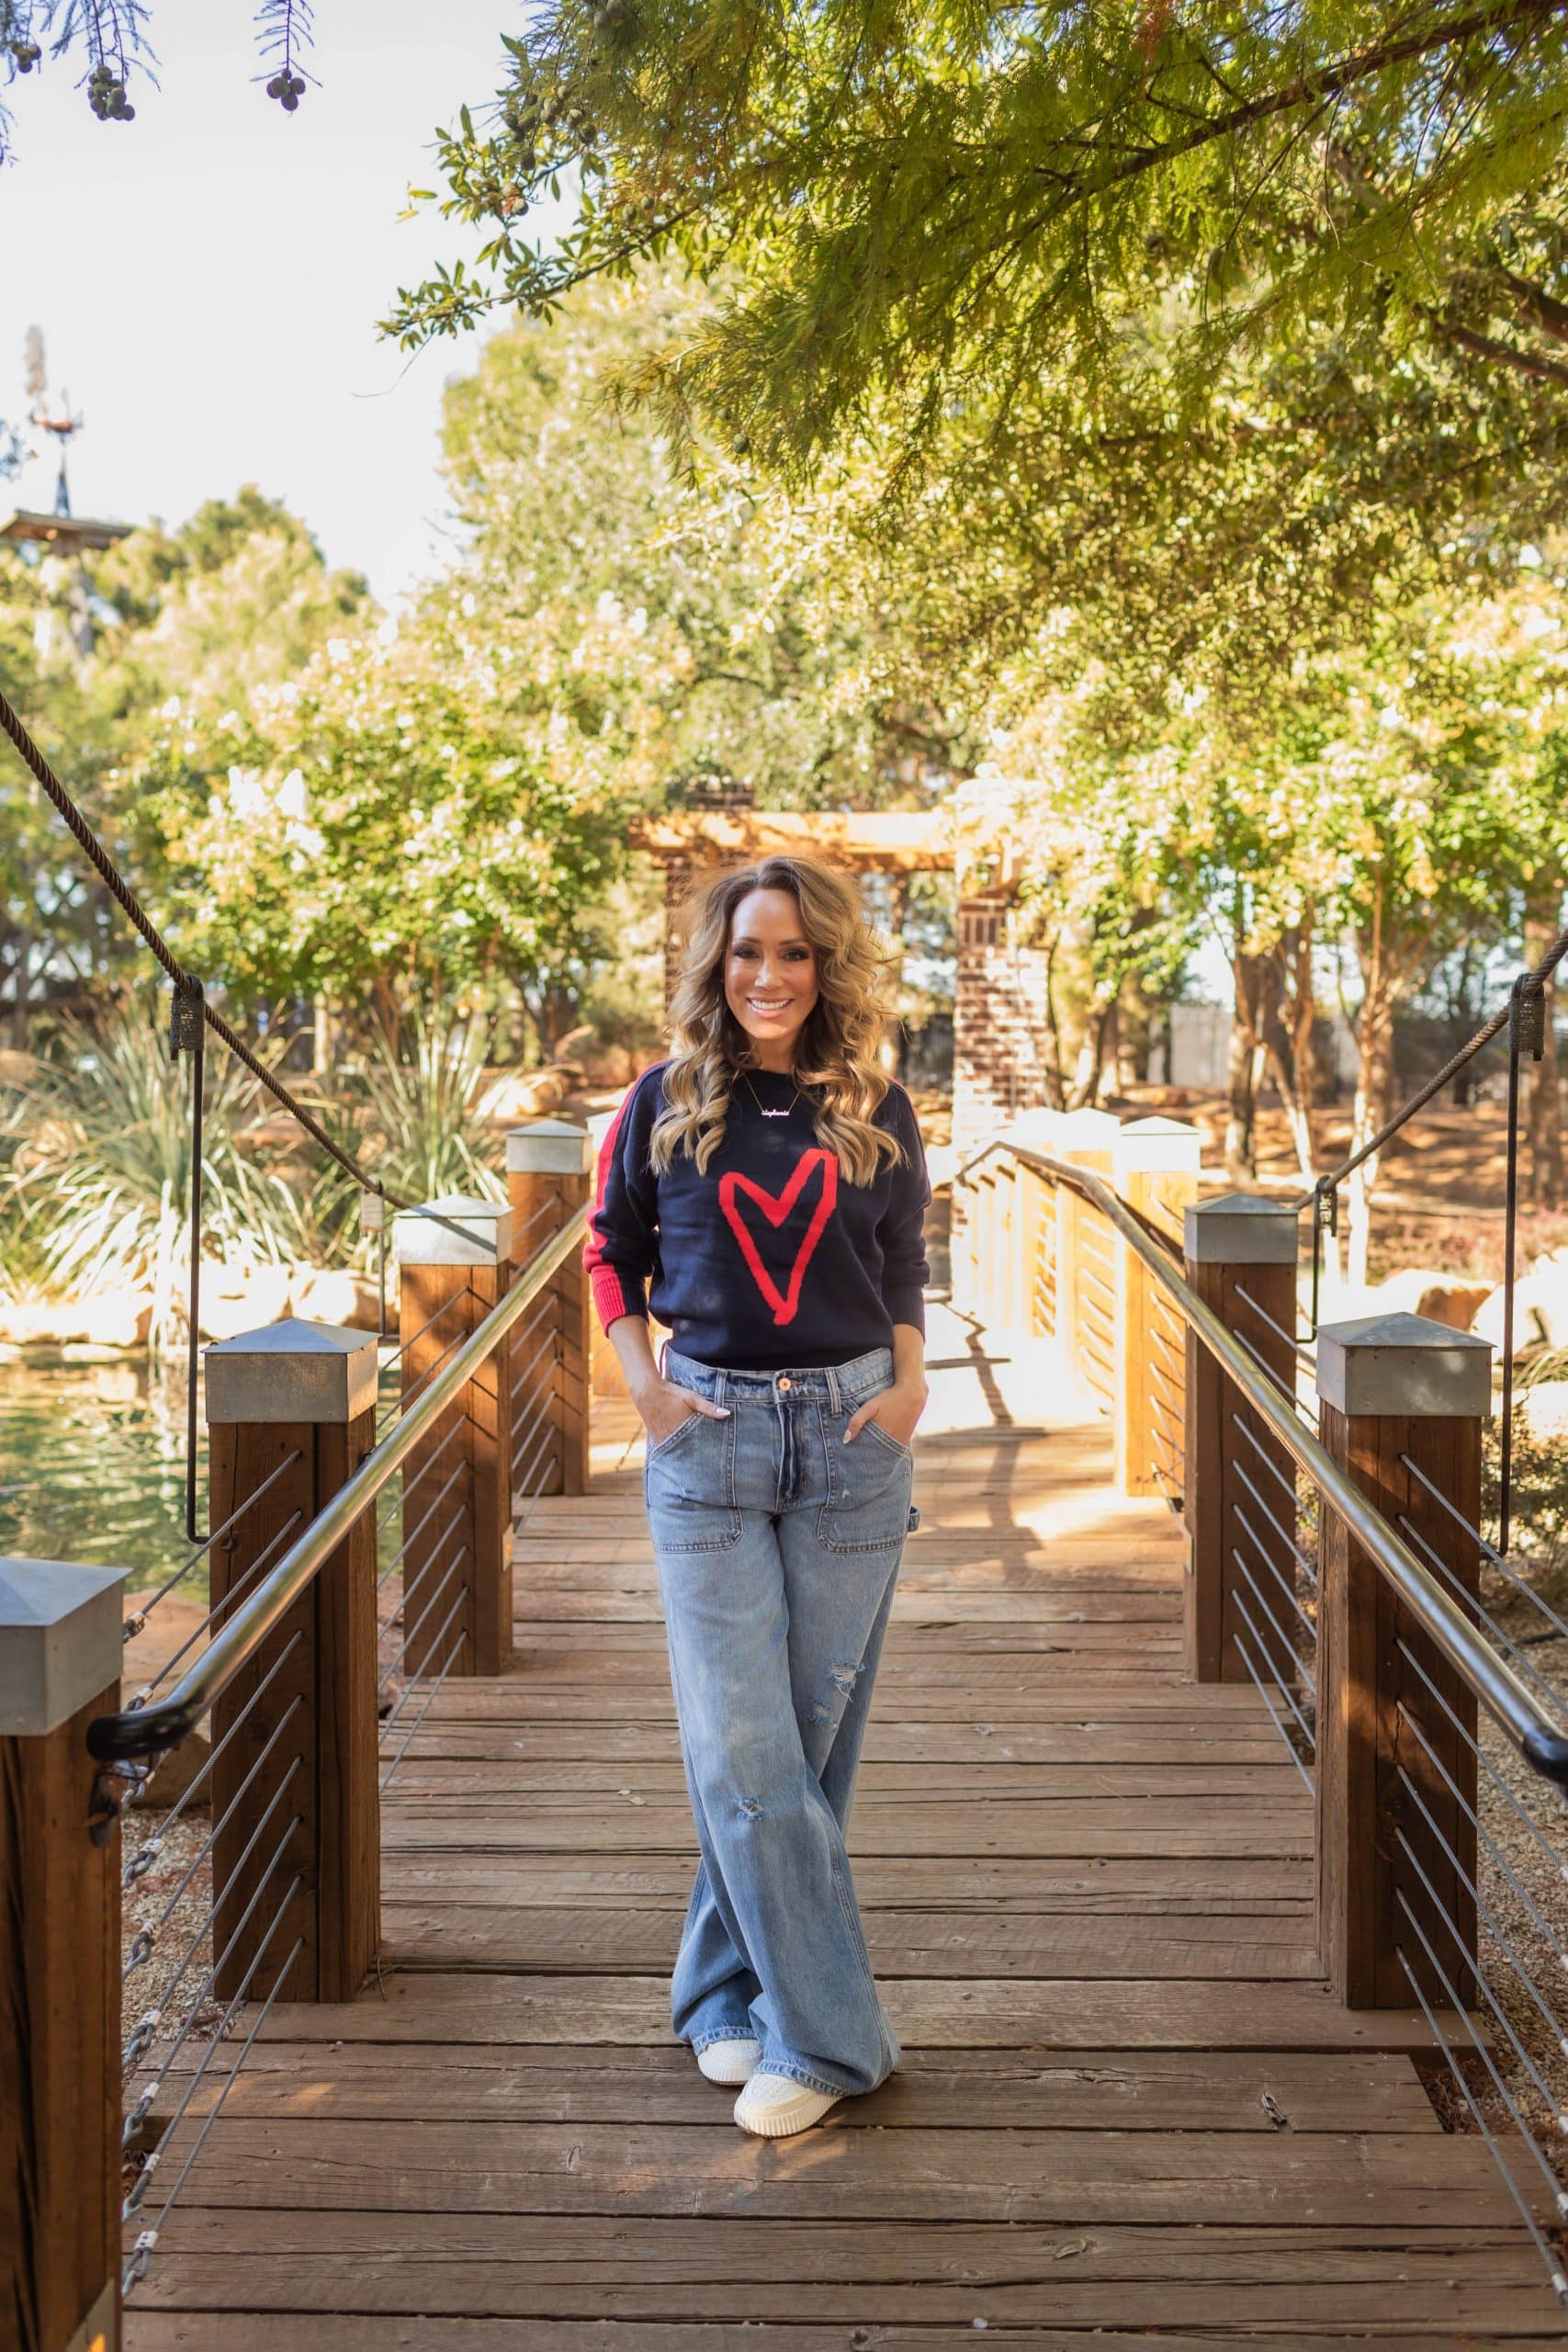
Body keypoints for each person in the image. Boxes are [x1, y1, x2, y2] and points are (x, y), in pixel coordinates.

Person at [583, 853, 932, 2139]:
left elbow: (900, 1262)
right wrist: (647, 1393)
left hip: (850, 1439)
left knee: (801, 1752)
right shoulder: (662, 1099)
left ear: (824, 967)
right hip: (710, 1443)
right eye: (747, 952)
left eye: (793, 953)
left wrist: (907, 1392)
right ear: (714, 965)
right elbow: (609, 1250)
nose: (770, 975)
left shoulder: (877, 1105)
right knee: (744, 1750)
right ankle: (837, 2044)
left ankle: (724, 1997)